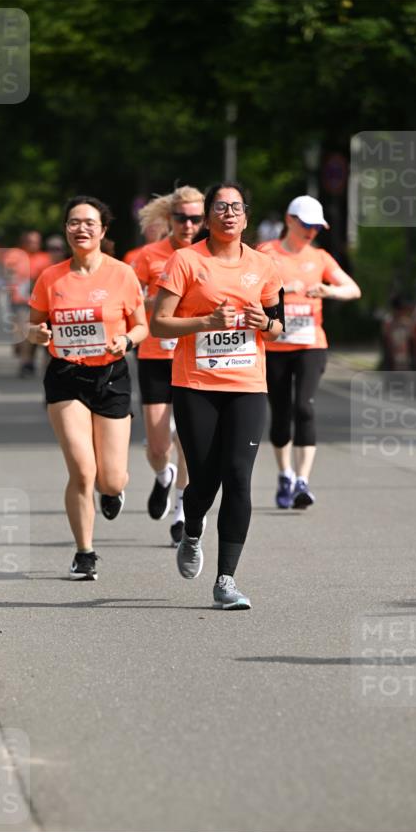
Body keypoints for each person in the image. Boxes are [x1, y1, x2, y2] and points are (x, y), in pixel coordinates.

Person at [151, 182, 283, 610]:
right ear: (208, 217)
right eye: (220, 207)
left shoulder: (263, 265)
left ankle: (226, 580)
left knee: (239, 476)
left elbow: (278, 326)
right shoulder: (186, 261)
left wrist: (265, 323)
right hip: (197, 385)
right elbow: (159, 324)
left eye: (236, 207)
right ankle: (192, 531)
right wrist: (207, 322)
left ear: (246, 217)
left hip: (247, 385)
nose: (229, 213)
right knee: (205, 479)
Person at [28, 196, 148, 581]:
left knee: (110, 478)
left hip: (111, 375)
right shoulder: (50, 278)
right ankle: (85, 552)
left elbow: (142, 326)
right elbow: (32, 326)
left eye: (89, 223)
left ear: (103, 230)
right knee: (82, 470)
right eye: (74, 222)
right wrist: (37, 334)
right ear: (66, 229)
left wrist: (126, 341)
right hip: (66, 375)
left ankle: (112, 492)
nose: (81, 228)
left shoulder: (122, 274)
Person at [258, 195, 361, 508]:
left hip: (311, 344)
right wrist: (280, 291)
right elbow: (245, 291)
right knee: (281, 413)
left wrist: (329, 290)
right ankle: (285, 474)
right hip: (275, 346)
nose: (312, 232)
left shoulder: (320, 257)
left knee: (304, 407)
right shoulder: (266, 253)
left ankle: (302, 482)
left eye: (317, 227)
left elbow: (353, 289)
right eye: (307, 225)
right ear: (289, 220)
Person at [133, 186, 205, 546]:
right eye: (181, 218)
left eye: (196, 218)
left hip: (194, 357)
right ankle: (164, 476)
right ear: (169, 218)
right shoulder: (149, 256)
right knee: (160, 446)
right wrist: (156, 300)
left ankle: (181, 512)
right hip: (156, 356)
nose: (188, 225)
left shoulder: (209, 256)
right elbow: (130, 300)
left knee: (189, 441)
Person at [5, 231, 52, 377]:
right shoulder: (15, 255)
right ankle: (25, 359)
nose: (34, 244)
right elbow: (7, 274)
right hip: (19, 299)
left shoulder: (44, 258)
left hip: (38, 300)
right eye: (31, 241)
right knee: (22, 330)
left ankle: (27, 362)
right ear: (24, 242)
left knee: (31, 330)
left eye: (37, 242)